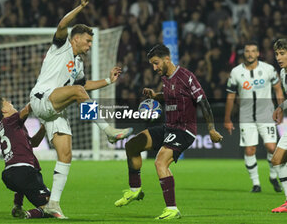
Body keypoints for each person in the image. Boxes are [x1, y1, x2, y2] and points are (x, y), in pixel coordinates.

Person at [29, 0, 133, 219]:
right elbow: (62, 24)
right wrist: (80, 6)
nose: (89, 45)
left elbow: (83, 85)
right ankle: (109, 132)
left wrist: (108, 81)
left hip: (54, 110)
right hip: (41, 99)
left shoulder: (78, 64)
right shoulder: (61, 46)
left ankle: (53, 204)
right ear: (75, 39)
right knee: (77, 92)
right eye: (87, 41)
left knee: (66, 154)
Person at [114, 44, 223, 220]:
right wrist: (155, 95)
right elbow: (170, 96)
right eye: (152, 64)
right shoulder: (166, 78)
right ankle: (134, 190)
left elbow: (203, 102)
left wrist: (211, 129)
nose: (154, 68)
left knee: (160, 162)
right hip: (169, 127)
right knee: (132, 145)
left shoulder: (186, 77)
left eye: (156, 63)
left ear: (167, 59)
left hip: (184, 130)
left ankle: (172, 209)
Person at [224, 41, 283, 193]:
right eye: (247, 51)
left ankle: (272, 176)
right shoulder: (236, 72)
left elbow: (278, 90)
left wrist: (280, 109)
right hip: (246, 117)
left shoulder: (268, 69)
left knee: (272, 148)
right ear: (244, 53)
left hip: (266, 114)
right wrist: (227, 119)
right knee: (250, 150)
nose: (250, 54)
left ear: (258, 53)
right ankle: (256, 183)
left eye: (253, 51)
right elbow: (230, 96)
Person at [0, 93, 56, 219]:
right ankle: (26, 215)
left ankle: (17, 205)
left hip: (10, 174)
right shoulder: (11, 120)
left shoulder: (7, 126)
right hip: (24, 171)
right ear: (4, 110)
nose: (10, 101)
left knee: (22, 185)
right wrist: (38, 99)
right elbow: (26, 110)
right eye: (6, 101)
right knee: (52, 206)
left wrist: (44, 126)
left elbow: (33, 143)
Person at [271, 38, 287, 213]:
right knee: (277, 160)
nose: (278, 57)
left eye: (282, 53)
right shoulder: (283, 73)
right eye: (276, 54)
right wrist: (280, 107)